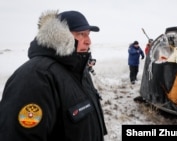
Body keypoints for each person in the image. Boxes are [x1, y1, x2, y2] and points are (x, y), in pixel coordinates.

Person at [0, 10, 107, 141]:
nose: (88, 41)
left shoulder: (79, 71)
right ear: (60, 36)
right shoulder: (36, 76)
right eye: (81, 34)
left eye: (88, 35)